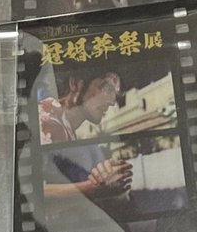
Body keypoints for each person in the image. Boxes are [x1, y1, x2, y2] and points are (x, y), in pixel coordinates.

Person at [39, 69, 134, 218]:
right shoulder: (47, 121)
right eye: (106, 88)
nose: (112, 102)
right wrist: (93, 189)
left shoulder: (64, 126)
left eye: (115, 93)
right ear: (75, 84)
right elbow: (31, 193)